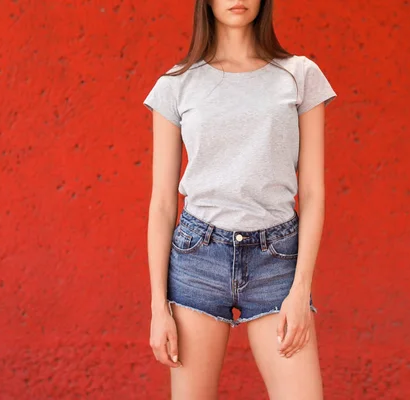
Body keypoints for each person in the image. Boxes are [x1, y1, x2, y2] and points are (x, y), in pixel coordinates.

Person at [143, 0, 337, 398]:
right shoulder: (176, 84)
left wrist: (301, 291)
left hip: (277, 260)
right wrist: (157, 306)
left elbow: (314, 192)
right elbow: (162, 203)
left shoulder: (299, 75)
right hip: (198, 259)